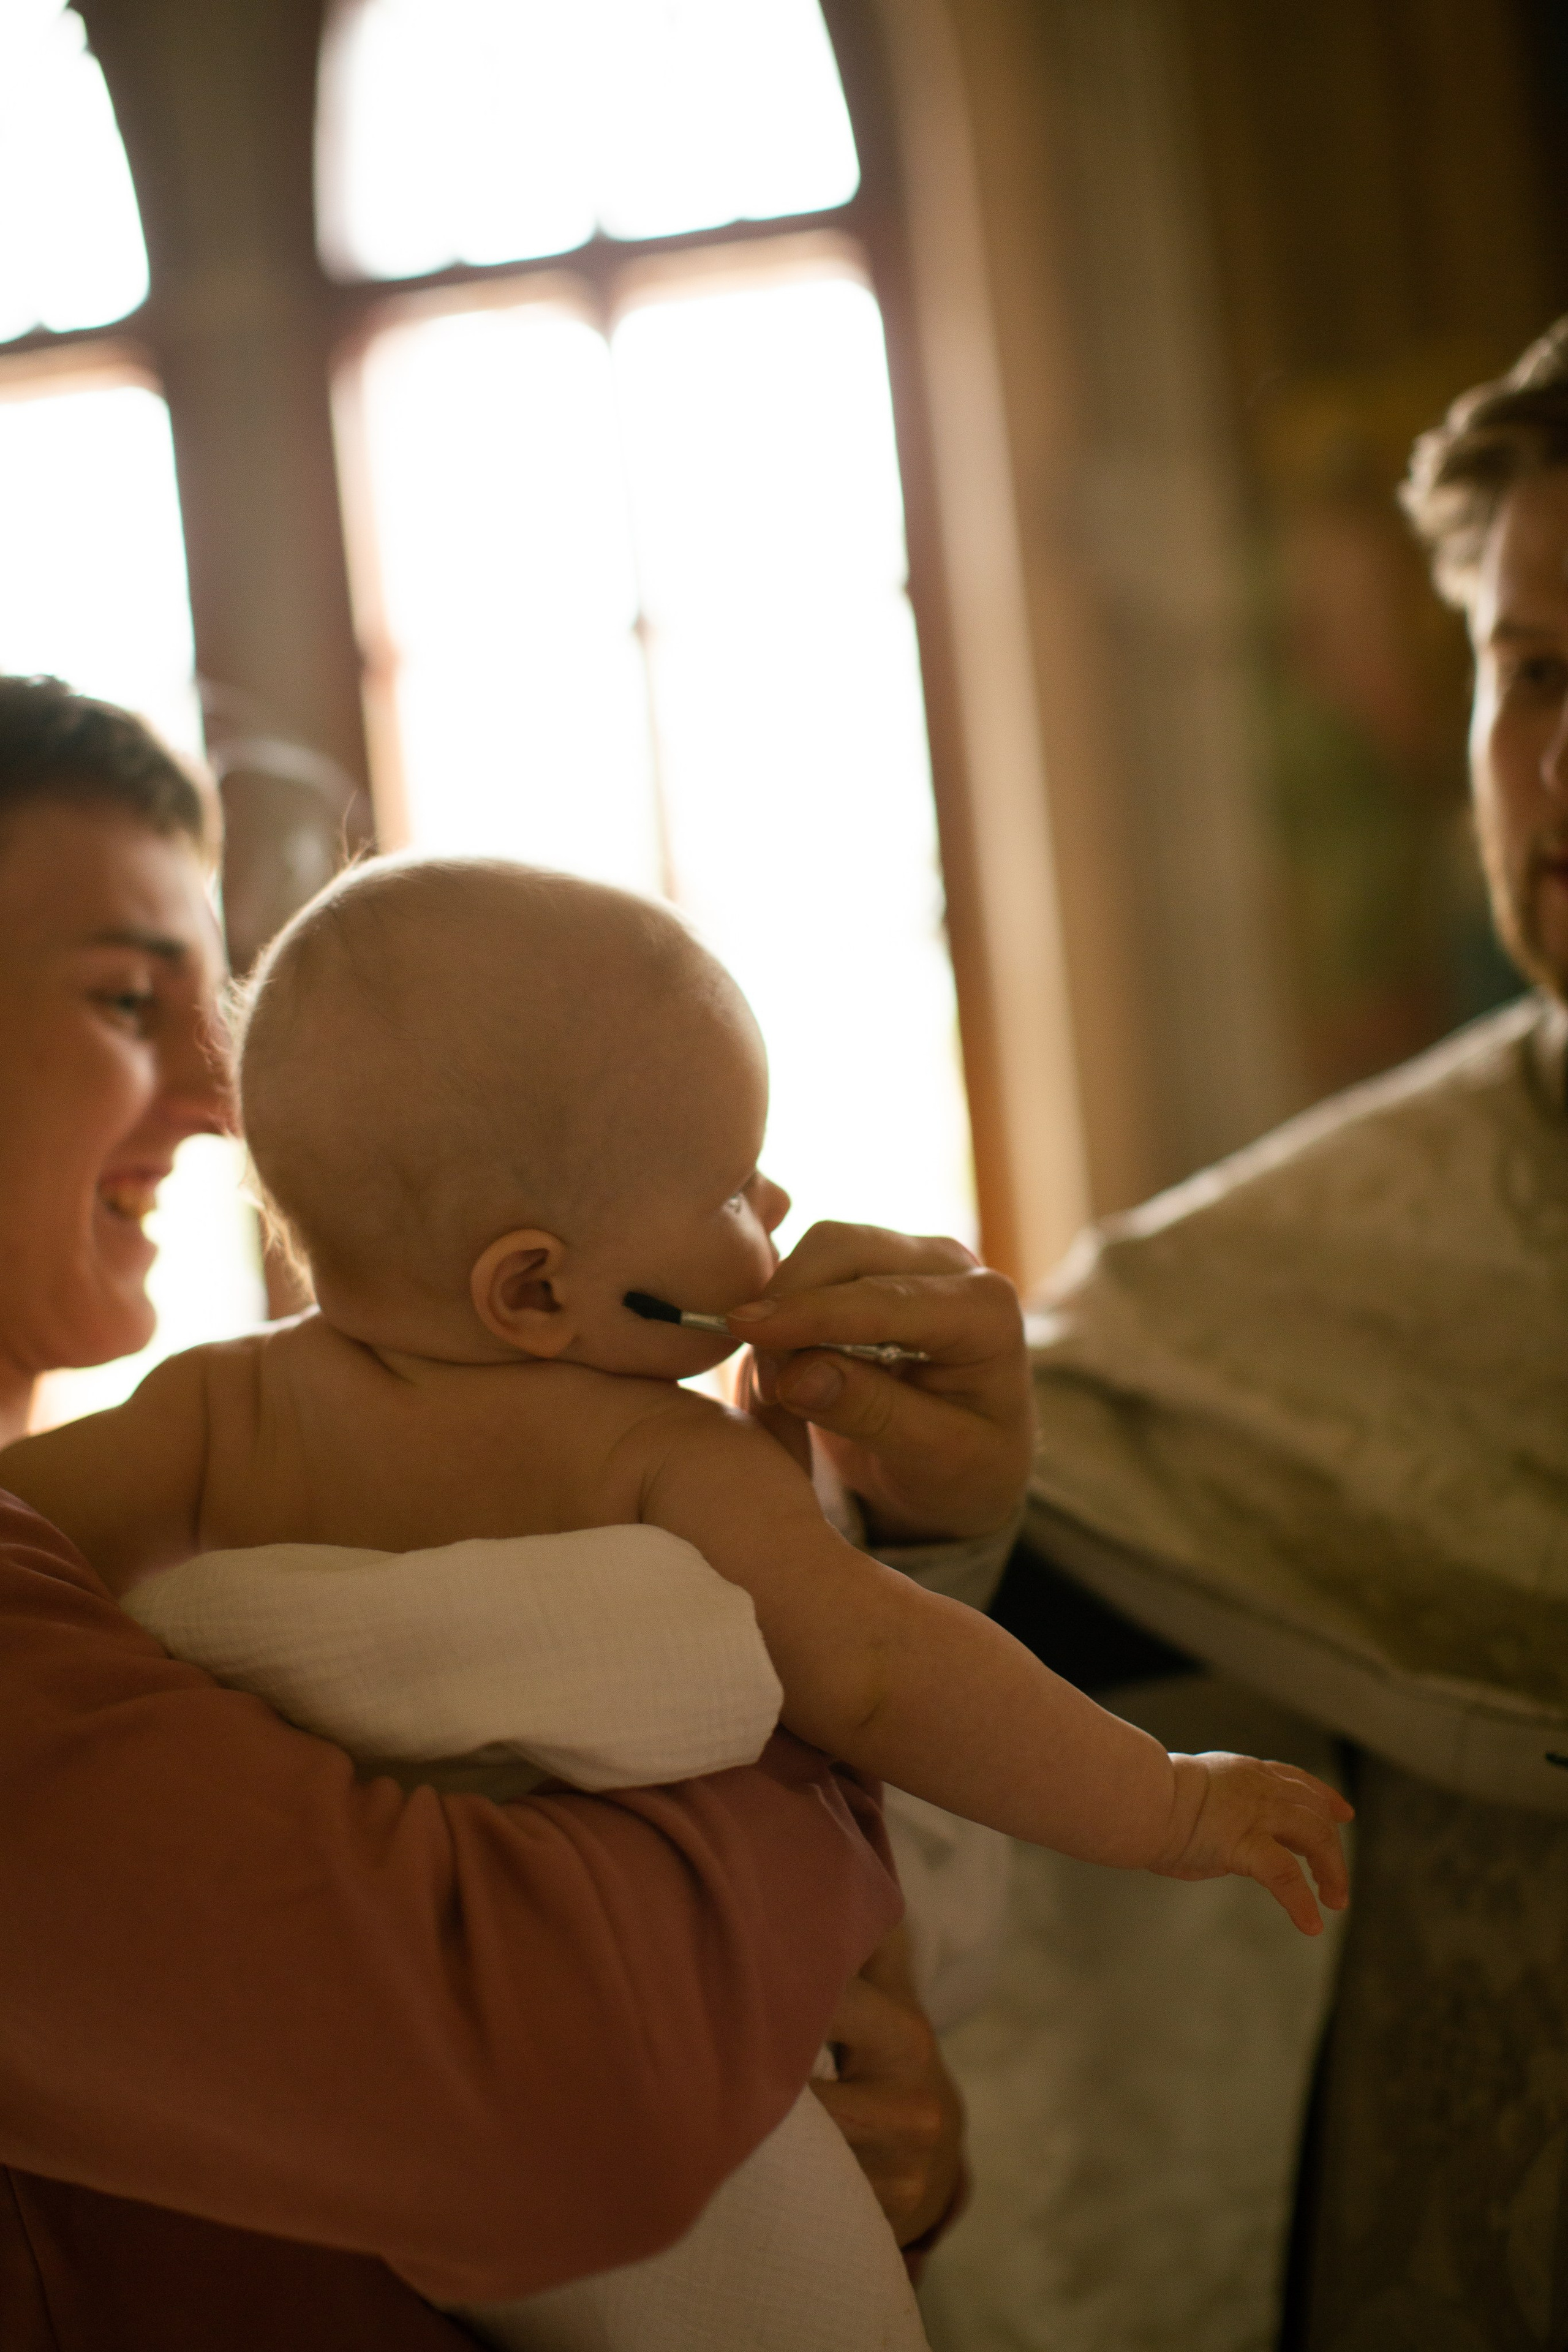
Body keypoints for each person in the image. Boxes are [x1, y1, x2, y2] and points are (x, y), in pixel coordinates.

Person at [2, 857, 1350, 2346]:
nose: (772, 1203)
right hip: (602, 2086)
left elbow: (31, 1543)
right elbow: (880, 1677)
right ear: (534, 1293)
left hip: (325, 2122)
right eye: (728, 1185)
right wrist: (1164, 1802)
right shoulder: (658, 1454)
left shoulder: (219, 1411)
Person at [0, 676, 1011, 2346]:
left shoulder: (233, 1527)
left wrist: (842, 2130)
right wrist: (829, 1691)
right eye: (126, 996)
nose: (222, 1082)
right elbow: (561, 2089)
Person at [930, 317, 1568, 2349]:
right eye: (1532, 672)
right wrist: (904, 1490)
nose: (1558, 767)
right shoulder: (1299, 1264)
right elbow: (1004, 1597)